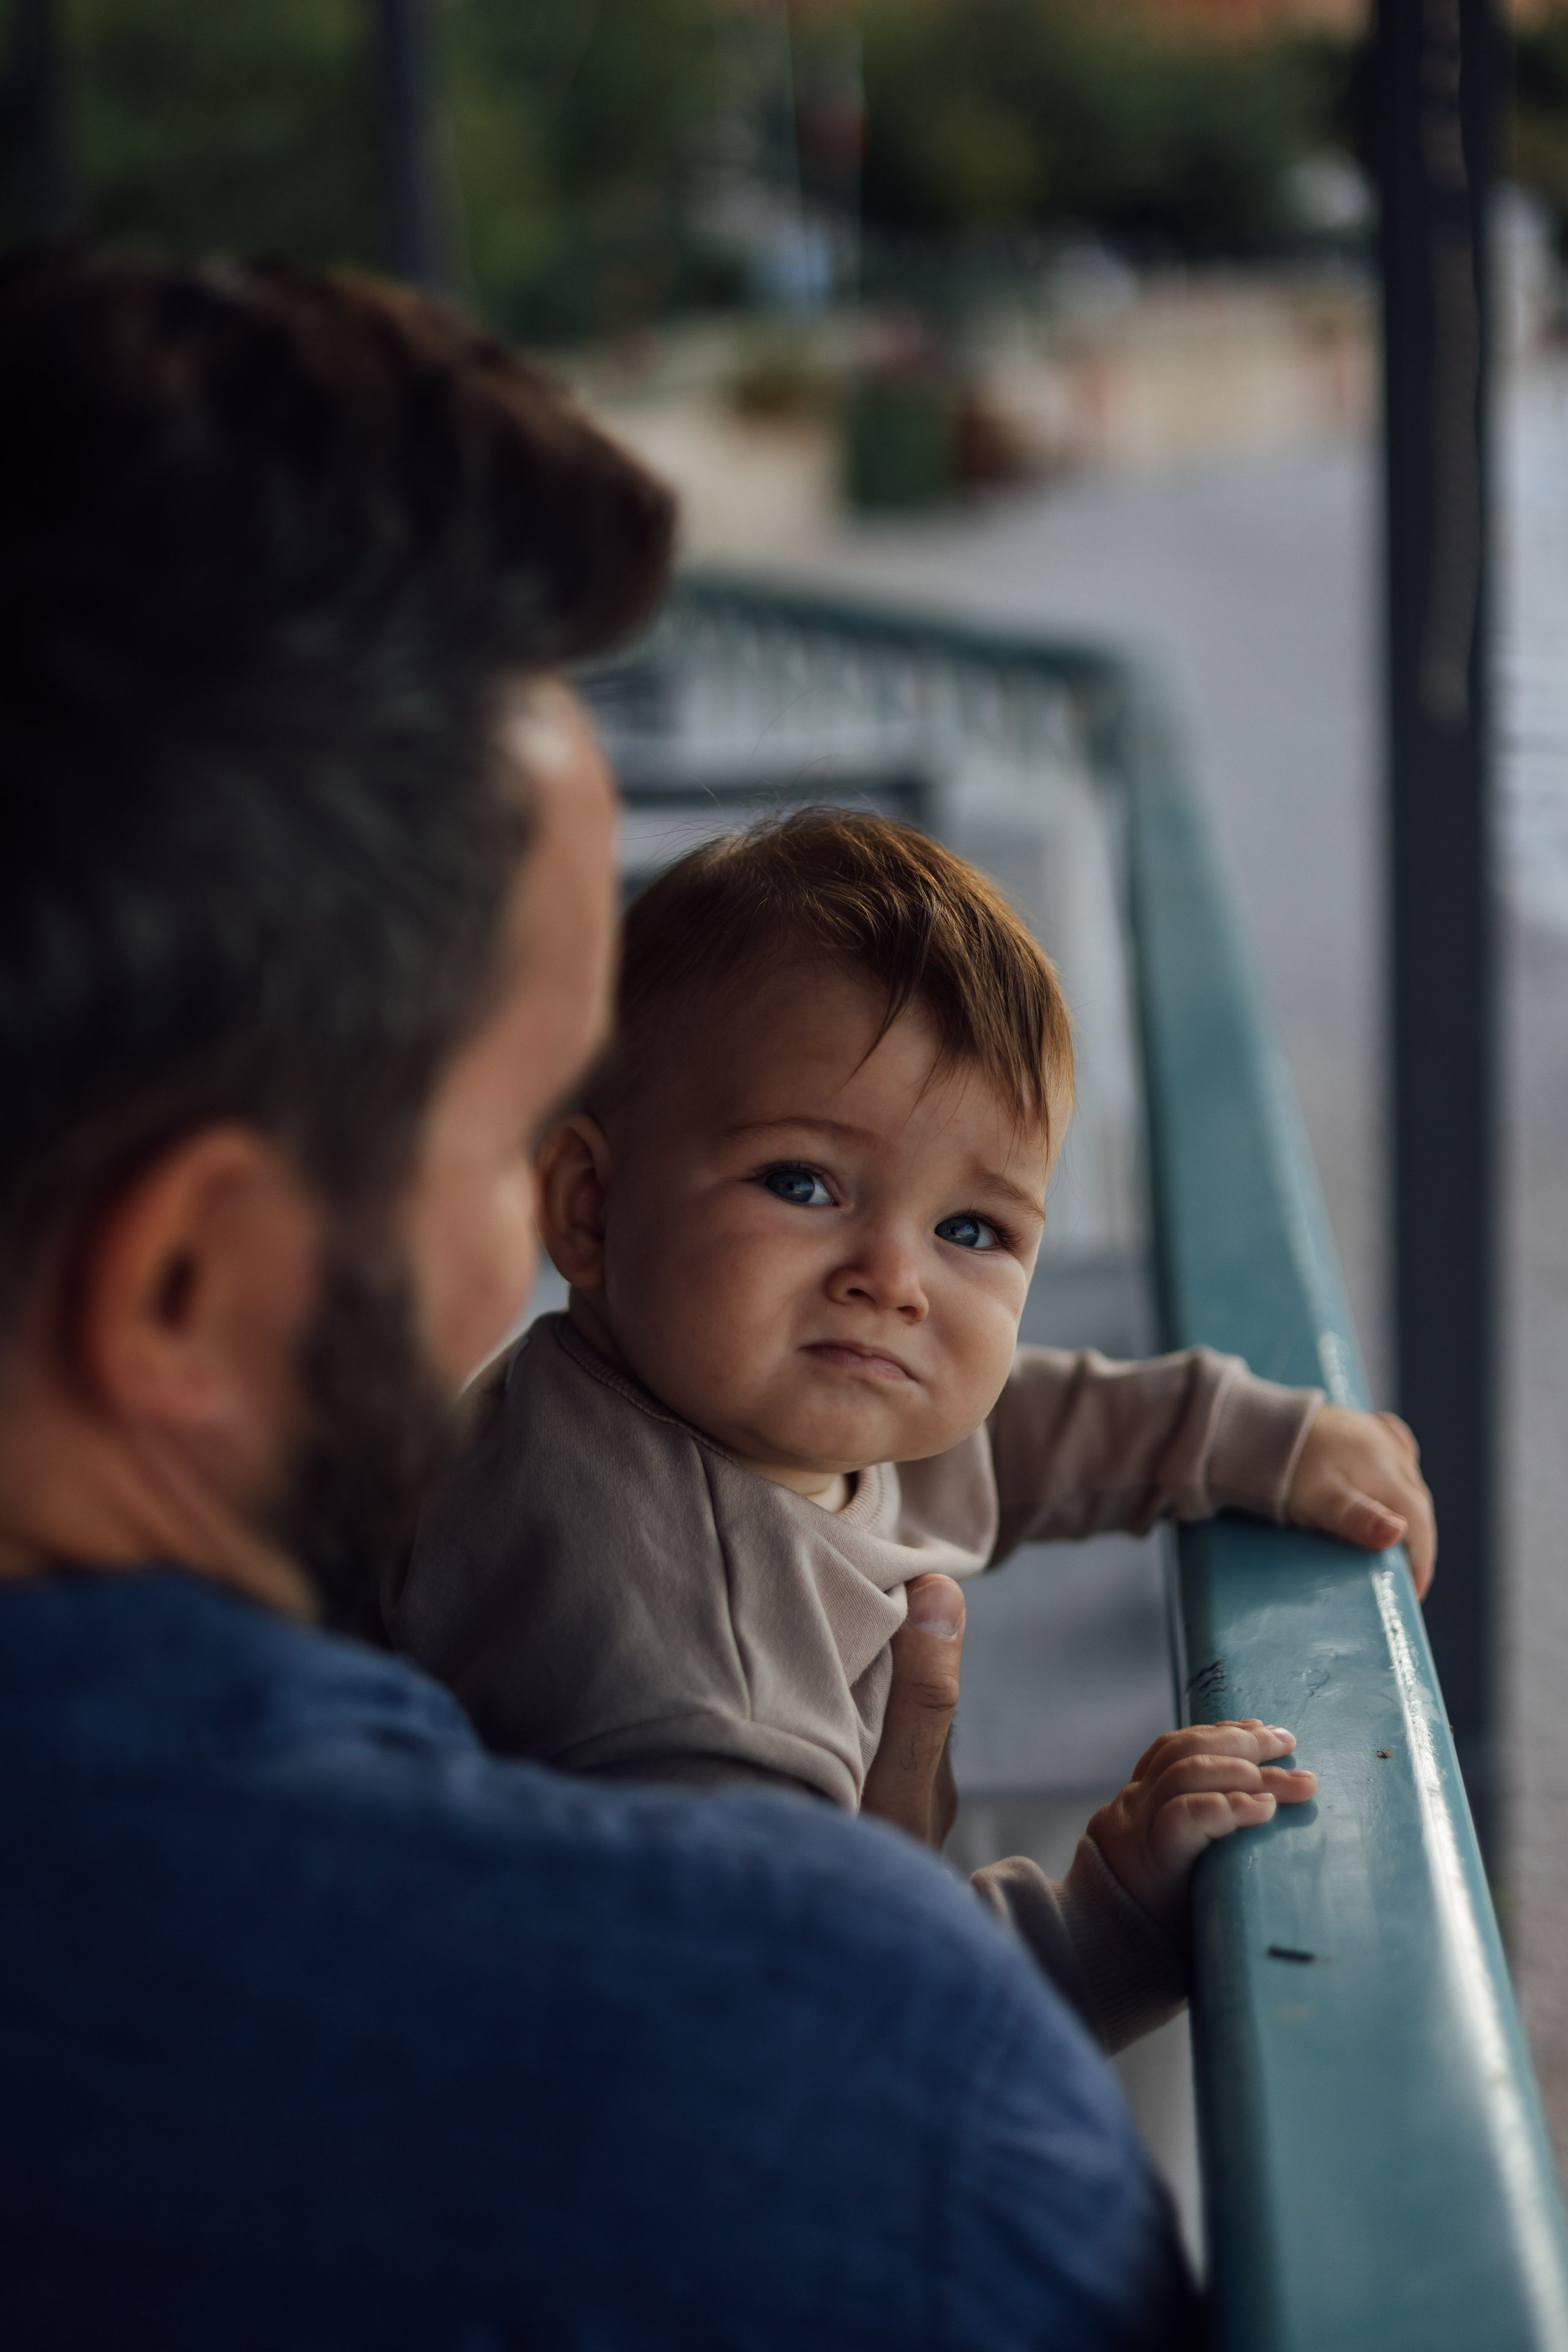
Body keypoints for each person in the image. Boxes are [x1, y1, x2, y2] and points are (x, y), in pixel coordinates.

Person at [0, 241, 1200, 2346]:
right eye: (520, 1144)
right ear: (184, 1285)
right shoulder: (842, 2093)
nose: (540, 1240)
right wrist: (867, 1927)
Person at [391, 810, 1434, 2050]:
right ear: (588, 1206)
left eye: (972, 1231)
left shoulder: (719, 1386)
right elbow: (799, 2020)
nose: (892, 1280)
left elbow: (1006, 1434)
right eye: (801, 1183)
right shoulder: (680, 1662)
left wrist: (1254, 1438)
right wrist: (1093, 1934)